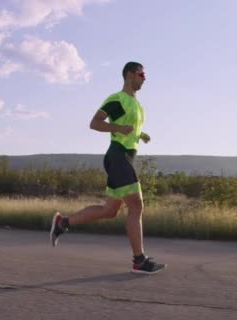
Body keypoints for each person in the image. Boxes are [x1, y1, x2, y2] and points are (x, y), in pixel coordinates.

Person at [50, 61, 166, 275]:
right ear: (131, 74)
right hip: (119, 156)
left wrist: (140, 134)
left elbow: (129, 127)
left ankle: (63, 222)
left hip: (124, 157)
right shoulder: (118, 99)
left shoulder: (137, 104)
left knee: (110, 211)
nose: (144, 78)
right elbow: (95, 123)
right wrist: (118, 127)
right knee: (137, 206)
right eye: (142, 74)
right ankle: (139, 261)